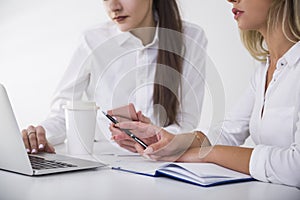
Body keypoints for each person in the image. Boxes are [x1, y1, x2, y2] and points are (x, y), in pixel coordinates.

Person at [114, 0, 300, 187]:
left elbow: (296, 167)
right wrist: (170, 142)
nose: (231, 0)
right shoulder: (265, 70)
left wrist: (208, 154)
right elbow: (227, 132)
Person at [21, 0, 208, 154]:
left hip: (162, 161)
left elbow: (186, 123)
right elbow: (64, 112)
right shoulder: (92, 40)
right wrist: (40, 135)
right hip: (104, 161)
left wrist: (157, 137)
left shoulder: (191, 38)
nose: (113, 6)